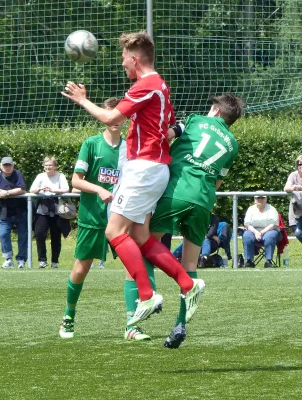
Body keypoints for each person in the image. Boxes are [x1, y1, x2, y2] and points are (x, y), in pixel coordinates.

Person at [61, 31, 202, 328]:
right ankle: (188, 285)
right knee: (140, 237)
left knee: (114, 232)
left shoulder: (146, 84)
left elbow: (112, 119)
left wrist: (83, 100)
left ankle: (147, 294)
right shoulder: (160, 86)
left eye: (124, 59)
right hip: (153, 169)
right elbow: (168, 130)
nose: (122, 64)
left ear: (135, 59)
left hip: (144, 169)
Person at [145, 93, 245, 348]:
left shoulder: (194, 120)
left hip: (178, 190)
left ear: (217, 112)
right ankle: (180, 324)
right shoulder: (232, 144)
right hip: (203, 200)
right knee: (190, 260)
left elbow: (166, 135)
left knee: (147, 245)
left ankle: (148, 297)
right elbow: (218, 181)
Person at [59, 97, 129, 339]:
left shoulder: (129, 147)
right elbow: (76, 180)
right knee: (82, 267)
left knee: (133, 267)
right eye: (110, 114)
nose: (115, 119)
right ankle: (69, 316)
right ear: (102, 115)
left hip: (121, 218)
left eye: (119, 114)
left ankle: (132, 323)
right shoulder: (91, 144)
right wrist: (99, 189)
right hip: (92, 216)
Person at [30, 156, 70, 268]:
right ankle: (42, 260)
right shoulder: (40, 176)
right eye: (46, 165)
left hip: (57, 208)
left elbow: (66, 189)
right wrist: (39, 189)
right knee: (39, 234)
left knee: (56, 236)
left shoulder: (60, 176)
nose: (48, 167)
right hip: (42, 209)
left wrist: (53, 190)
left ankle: (54, 262)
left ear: (55, 166)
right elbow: (32, 190)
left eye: (50, 165)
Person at [0, 157, 28, 269]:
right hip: (5, 211)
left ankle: (21, 260)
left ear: (13, 166)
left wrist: (6, 193)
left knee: (23, 236)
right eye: (5, 165)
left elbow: (22, 189)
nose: (7, 167)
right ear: (1, 166)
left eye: (9, 165)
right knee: (3, 234)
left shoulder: (17, 174)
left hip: (21, 210)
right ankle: (8, 259)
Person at [242, 192, 280, 268]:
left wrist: (261, 232)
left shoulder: (271, 209)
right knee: (246, 235)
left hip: (269, 230)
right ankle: (249, 261)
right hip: (253, 231)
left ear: (266, 199)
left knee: (270, 236)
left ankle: (268, 261)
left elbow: (273, 224)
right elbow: (247, 224)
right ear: (254, 199)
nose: (260, 199)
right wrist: (256, 232)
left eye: (262, 197)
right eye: (257, 198)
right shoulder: (251, 209)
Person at [284, 155, 302, 242]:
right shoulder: (293, 175)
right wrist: (291, 188)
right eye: (299, 164)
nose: (301, 166)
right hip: (297, 210)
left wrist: (299, 187)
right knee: (298, 233)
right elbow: (286, 187)